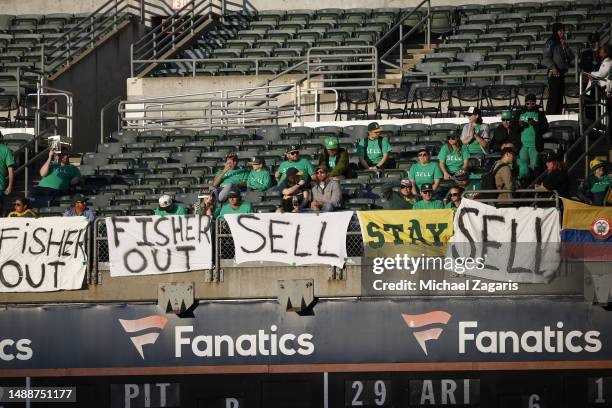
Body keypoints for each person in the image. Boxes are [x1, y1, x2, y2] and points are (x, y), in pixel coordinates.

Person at [542, 22, 575, 114]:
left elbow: (571, 57)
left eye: (563, 31)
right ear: (555, 31)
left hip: (561, 73)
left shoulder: (563, 43)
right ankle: (550, 116)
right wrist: (553, 67)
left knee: (560, 96)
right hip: (553, 72)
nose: (562, 33)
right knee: (554, 95)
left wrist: (566, 47)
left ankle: (558, 115)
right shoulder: (550, 42)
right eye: (560, 31)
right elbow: (546, 57)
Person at [517, 94, 549, 171]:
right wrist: (519, 125)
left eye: (532, 103)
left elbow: (545, 127)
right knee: (523, 166)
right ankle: (524, 182)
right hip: (523, 145)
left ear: (535, 103)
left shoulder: (539, 114)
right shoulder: (520, 113)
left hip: (535, 145)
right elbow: (514, 128)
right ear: (525, 103)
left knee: (534, 166)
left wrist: (535, 124)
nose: (530, 105)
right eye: (528, 103)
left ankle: (534, 182)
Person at [0, 131, 14, 216]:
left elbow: (10, 170)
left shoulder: (5, 149)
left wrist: (10, 185)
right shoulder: (6, 149)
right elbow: (10, 170)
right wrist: (10, 185)